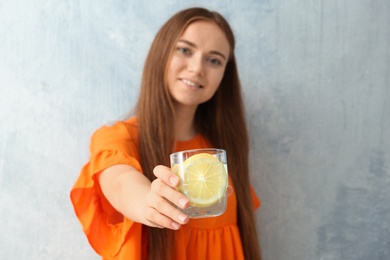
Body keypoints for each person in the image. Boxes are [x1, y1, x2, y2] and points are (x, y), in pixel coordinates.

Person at [70, 7, 262, 260]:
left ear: (224, 75)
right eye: (184, 50)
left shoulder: (222, 150)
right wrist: (148, 202)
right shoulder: (116, 138)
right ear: (161, 53)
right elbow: (120, 182)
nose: (196, 68)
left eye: (214, 60)